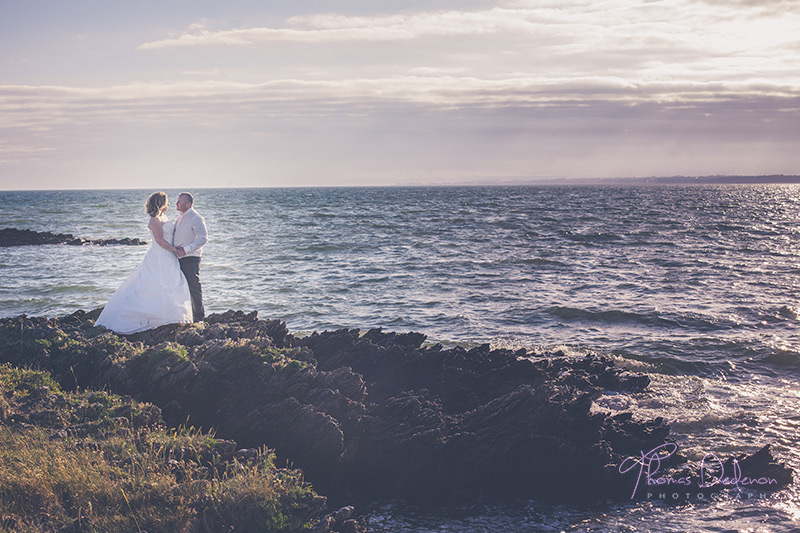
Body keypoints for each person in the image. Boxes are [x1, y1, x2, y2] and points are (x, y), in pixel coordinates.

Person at [96, 192, 192, 334]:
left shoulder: (163, 217)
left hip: (169, 257)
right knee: (155, 283)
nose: (169, 204)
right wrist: (175, 249)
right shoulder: (154, 220)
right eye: (166, 202)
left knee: (172, 283)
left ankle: (169, 316)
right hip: (160, 255)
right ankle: (148, 317)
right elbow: (160, 241)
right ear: (160, 203)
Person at [173, 192, 207, 322]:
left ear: (188, 204)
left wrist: (186, 250)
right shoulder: (180, 217)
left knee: (193, 287)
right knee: (182, 287)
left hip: (190, 257)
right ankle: (188, 314)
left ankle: (199, 317)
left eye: (179, 201)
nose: (177, 203)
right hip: (179, 257)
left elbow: (203, 238)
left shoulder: (195, 217)